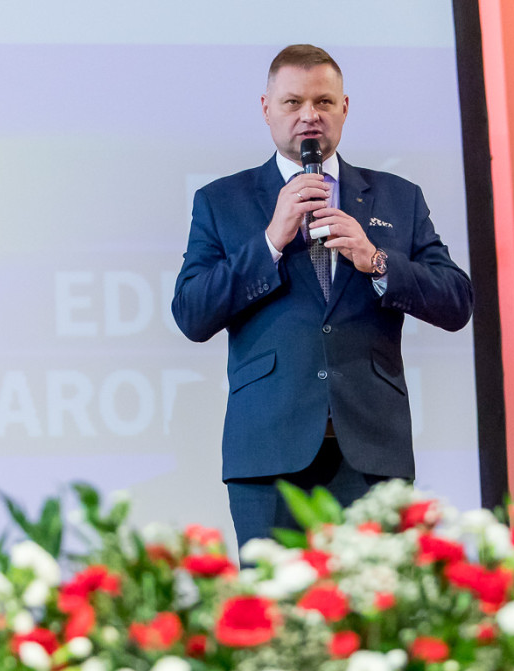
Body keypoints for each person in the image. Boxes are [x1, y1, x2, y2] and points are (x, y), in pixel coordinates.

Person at [171, 44, 474, 548]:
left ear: (344, 108)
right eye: (292, 102)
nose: (309, 115)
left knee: (374, 597)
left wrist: (376, 259)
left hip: (373, 451)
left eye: (323, 102)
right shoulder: (222, 201)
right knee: (273, 598)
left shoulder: (398, 197)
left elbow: (457, 302)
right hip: (268, 455)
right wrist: (270, 241)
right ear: (266, 109)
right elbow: (191, 313)